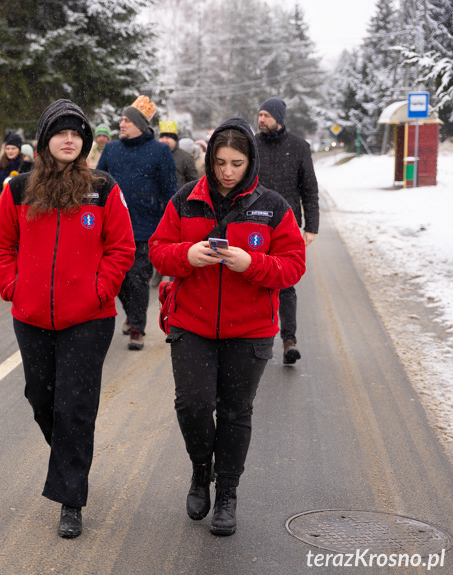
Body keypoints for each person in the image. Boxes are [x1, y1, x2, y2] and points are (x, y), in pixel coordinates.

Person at [149, 117, 306, 536]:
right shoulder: (185, 199)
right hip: (192, 324)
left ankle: (228, 494)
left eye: (236, 162)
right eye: (219, 162)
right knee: (194, 405)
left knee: (236, 412)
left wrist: (251, 263)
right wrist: (188, 254)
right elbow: (159, 251)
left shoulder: (272, 206)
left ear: (250, 161)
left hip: (249, 329)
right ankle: (202, 471)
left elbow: (293, 266)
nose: (227, 172)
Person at [0, 99, 135, 539]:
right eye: (60, 132)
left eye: (76, 133)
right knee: (42, 400)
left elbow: (121, 248)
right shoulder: (19, 190)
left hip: (89, 318)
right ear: (46, 140)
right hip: (32, 317)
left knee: (75, 405)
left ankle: (71, 498)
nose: (68, 139)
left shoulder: (104, 188)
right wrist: (15, 287)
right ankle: (72, 458)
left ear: (84, 141)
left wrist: (98, 290)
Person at [96, 95, 177, 350]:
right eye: (121, 119)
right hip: (112, 227)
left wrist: (169, 226)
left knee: (138, 278)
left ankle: (137, 329)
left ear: (141, 125)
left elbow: (170, 191)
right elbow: (97, 184)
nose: (121, 124)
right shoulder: (111, 149)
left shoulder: (160, 152)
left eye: (127, 120)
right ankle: (131, 312)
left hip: (145, 226)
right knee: (117, 279)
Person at [255, 97, 319, 365]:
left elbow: (309, 188)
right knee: (253, 279)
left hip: (287, 226)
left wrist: (311, 226)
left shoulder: (298, 147)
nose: (261, 120)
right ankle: (255, 338)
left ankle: (289, 340)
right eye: (259, 115)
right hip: (254, 223)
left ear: (279, 118)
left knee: (285, 283)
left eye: (266, 115)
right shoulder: (253, 145)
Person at [159, 121, 199, 189]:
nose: (164, 140)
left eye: (167, 137)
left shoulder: (186, 157)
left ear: (175, 140)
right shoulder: (154, 155)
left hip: (178, 197)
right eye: (162, 137)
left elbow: (193, 182)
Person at [0, 131, 24, 198]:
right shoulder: (0, 164)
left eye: (13, 148)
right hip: (3, 199)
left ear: (19, 150)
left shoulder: (23, 164)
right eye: (7, 148)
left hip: (20, 200)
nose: (10, 151)